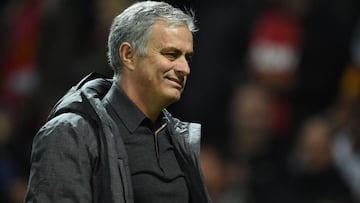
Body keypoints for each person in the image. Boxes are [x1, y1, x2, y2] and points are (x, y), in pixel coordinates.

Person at [24, 1, 211, 203]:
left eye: (187, 58)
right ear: (128, 55)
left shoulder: (180, 140)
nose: (185, 68)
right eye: (171, 54)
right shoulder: (70, 134)